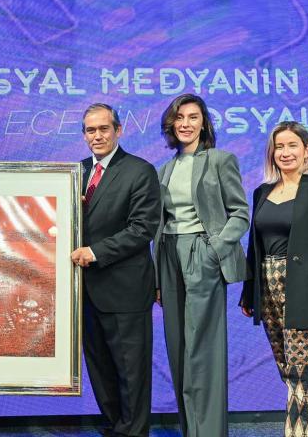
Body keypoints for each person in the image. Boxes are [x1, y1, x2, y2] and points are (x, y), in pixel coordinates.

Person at [240, 121, 308, 437]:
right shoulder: (261, 192)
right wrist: (248, 292)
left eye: (292, 145)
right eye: (279, 147)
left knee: (301, 372)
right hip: (267, 288)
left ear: (306, 151)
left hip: (306, 290)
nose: (285, 152)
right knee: (289, 372)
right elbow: (254, 247)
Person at [154, 94, 249, 437]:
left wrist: (214, 249)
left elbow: (240, 213)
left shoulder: (221, 160)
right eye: (179, 117)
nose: (185, 123)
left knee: (202, 349)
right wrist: (157, 279)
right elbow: (159, 225)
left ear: (204, 123)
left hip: (201, 254)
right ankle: (190, 430)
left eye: (193, 117)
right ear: (171, 124)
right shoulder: (164, 170)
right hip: (168, 256)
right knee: (178, 350)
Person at [70, 103, 160, 437]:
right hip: (84, 292)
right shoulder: (75, 172)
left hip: (125, 291)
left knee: (131, 373)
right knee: (100, 371)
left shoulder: (140, 171)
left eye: (103, 129)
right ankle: (116, 427)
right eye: (90, 130)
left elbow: (142, 229)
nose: (97, 136)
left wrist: (95, 252)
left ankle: (133, 432)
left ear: (118, 130)